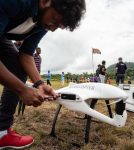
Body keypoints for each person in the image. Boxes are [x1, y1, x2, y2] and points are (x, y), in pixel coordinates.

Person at [0, 0, 86, 149]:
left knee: (18, 68)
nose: (52, 29)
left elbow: (26, 54)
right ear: (46, 1)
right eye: (55, 20)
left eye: (59, 26)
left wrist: (39, 84)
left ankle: (1, 131)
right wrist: (22, 90)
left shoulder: (43, 22)